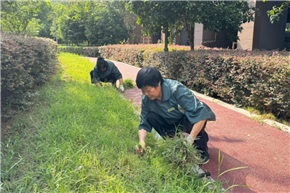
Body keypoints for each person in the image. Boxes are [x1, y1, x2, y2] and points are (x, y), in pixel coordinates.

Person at [136, 67, 216, 164]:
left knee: (194, 116)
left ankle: (201, 148)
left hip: (186, 120)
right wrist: (142, 142)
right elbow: (144, 123)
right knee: (150, 117)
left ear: (158, 83)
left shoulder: (176, 90)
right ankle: (175, 144)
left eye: (148, 90)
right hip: (170, 122)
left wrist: (190, 139)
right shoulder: (146, 99)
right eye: (142, 90)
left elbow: (201, 114)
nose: (145, 94)